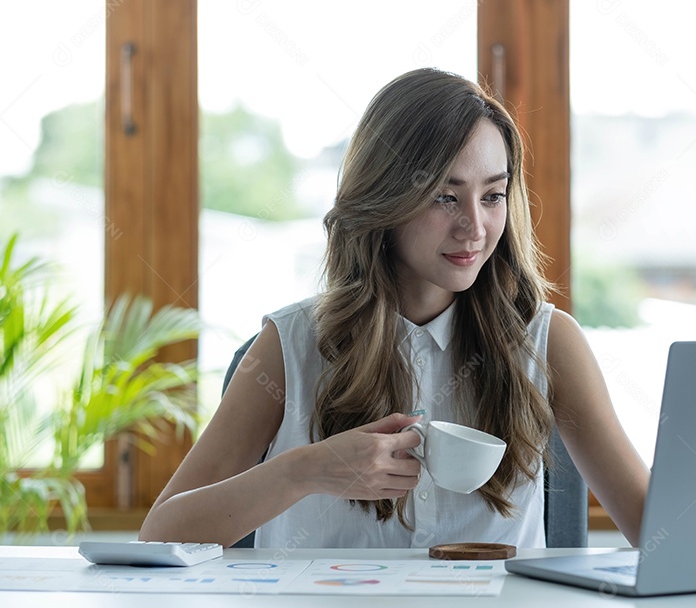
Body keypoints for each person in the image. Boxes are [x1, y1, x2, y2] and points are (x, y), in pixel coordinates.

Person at [139, 68, 650, 549]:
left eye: (492, 196)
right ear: (385, 200)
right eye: (445, 198)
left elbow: (652, 525)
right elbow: (161, 536)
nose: (474, 227)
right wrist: (305, 470)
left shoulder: (546, 340)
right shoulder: (290, 344)